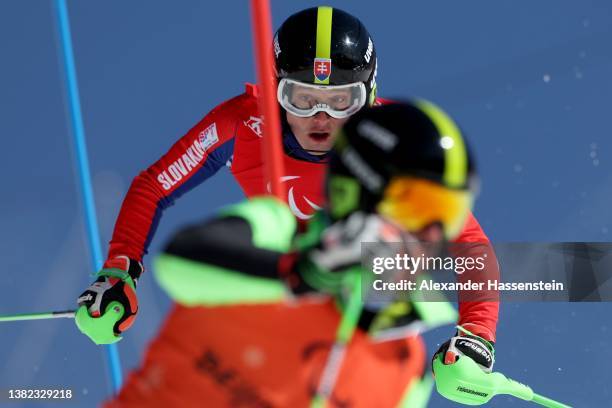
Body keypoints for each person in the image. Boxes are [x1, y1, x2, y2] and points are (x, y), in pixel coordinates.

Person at [74, 7, 498, 400]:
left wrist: (476, 337)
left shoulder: (394, 143)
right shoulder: (243, 124)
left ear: (368, 97)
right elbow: (154, 186)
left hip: (353, 317)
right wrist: (119, 269)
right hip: (265, 295)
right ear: (275, 89)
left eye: (341, 101)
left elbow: (469, 244)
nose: (321, 117)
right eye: (302, 98)